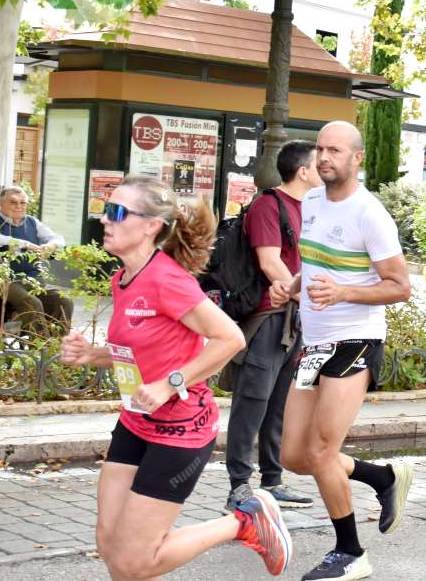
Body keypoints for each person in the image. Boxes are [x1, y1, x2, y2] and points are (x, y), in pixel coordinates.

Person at [60, 174, 291, 579]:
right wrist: (91, 354)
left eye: (116, 212)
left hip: (179, 429)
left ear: (151, 225)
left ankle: (245, 522)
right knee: (111, 545)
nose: (104, 219)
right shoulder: (124, 279)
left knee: (136, 559)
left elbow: (229, 338)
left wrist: (171, 383)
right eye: (105, 208)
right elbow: (140, 352)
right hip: (135, 421)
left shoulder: (168, 280)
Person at [270, 121, 414, 581]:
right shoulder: (311, 200)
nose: (324, 157)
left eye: (334, 150)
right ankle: (382, 478)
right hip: (315, 342)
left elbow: (400, 287)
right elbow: (314, 264)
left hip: (355, 340)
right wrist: (292, 286)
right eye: (320, 149)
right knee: (294, 454)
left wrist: (345, 294)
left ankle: (351, 552)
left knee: (321, 449)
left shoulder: (370, 214)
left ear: (357, 159)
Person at [224, 140, 321, 512]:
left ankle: (272, 481)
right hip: (268, 317)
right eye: (318, 163)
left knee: (280, 403)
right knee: (253, 402)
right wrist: (306, 298)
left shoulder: (310, 209)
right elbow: (269, 263)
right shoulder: (269, 205)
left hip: (294, 318)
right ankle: (237, 486)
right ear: (302, 171)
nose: (324, 167)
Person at [0, 185, 73, 334]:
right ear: (1, 204)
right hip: (5, 281)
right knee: (31, 303)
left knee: (64, 301)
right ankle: (38, 350)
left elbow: (58, 238)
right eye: (13, 202)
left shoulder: (32, 222)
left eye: (23, 203)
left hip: (34, 280)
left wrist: (50, 245)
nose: (18, 206)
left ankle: (57, 349)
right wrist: (25, 244)